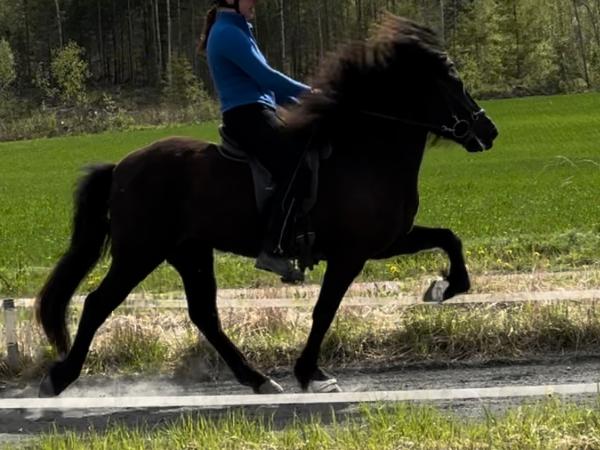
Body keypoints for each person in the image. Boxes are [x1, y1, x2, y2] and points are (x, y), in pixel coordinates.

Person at [201, 0, 312, 282]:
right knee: (297, 168)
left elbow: (267, 86)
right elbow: (266, 77)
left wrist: (309, 104)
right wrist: (313, 93)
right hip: (247, 116)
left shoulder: (238, 28)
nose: (256, 3)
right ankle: (274, 247)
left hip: (259, 111)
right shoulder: (227, 33)